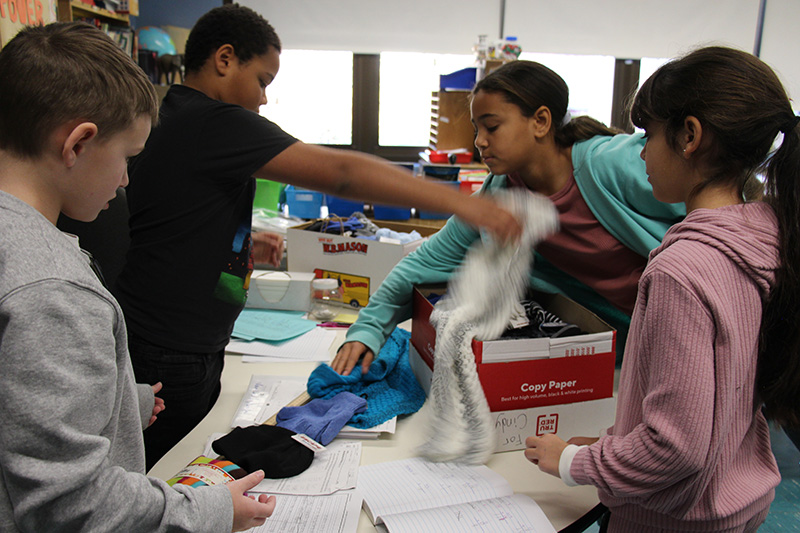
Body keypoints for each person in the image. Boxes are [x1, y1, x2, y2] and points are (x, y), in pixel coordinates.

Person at [115, 3, 522, 470]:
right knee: (165, 474)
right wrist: (463, 203)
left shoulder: (178, 117)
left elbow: (177, 223)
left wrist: (241, 249)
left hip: (182, 341)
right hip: (169, 350)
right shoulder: (211, 120)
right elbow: (342, 172)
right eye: (263, 80)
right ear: (224, 59)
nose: (264, 99)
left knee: (181, 467)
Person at [0, 22, 275, 532]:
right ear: (78, 143)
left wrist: (121, 401)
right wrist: (213, 509)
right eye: (127, 158)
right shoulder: (55, 291)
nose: (126, 180)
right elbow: (72, 506)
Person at [525, 46, 800, 532]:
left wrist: (570, 462)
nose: (643, 151)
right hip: (735, 500)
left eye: (648, 135)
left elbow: (674, 448)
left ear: (690, 136)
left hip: (671, 519)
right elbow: (717, 407)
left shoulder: (684, 269)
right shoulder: (769, 236)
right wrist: (613, 444)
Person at [332, 59, 685, 376]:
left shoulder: (612, 164)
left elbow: (713, 207)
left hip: (682, 335)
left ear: (541, 121)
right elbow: (422, 264)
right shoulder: (498, 195)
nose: (479, 142)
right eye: (476, 129)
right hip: (607, 353)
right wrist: (368, 330)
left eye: (492, 127)